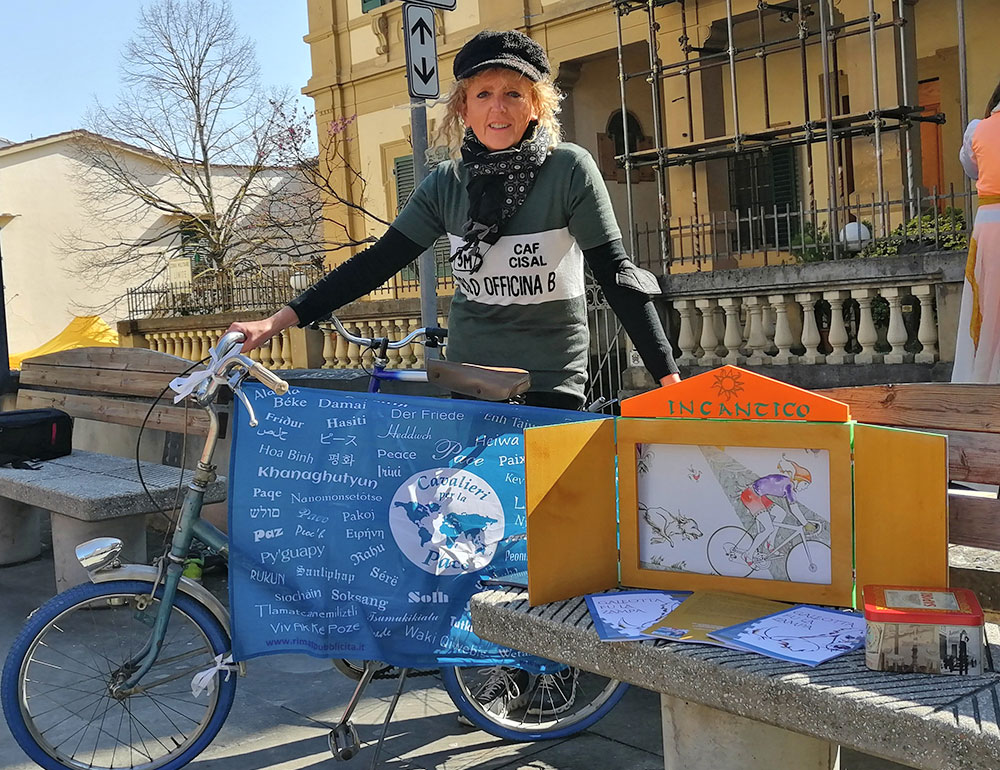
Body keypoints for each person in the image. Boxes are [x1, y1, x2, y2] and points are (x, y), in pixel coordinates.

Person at [229, 29, 681, 411]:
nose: (497, 109)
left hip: (549, 380)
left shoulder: (568, 170)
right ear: (463, 109)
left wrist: (668, 379)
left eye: (512, 94)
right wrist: (274, 322)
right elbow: (376, 263)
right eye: (482, 94)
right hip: (469, 376)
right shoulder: (446, 183)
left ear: (536, 106)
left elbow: (616, 273)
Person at [954, 79, 1000, 382]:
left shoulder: (978, 129)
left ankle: (985, 372)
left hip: (989, 222)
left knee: (989, 302)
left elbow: (971, 168)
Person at [735, 457, 813, 565]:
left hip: (758, 495)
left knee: (781, 513)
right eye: (805, 484)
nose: (805, 488)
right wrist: (806, 524)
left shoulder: (789, 484)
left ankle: (770, 542)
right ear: (798, 480)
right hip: (751, 495)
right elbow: (794, 509)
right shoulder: (789, 487)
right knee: (768, 528)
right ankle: (748, 554)